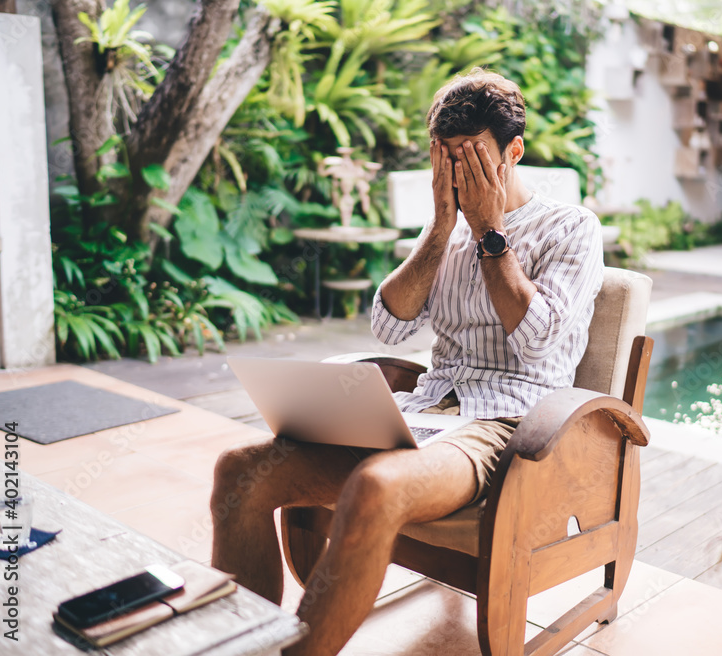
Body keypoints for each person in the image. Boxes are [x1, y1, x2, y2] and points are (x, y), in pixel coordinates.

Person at [210, 69, 604, 656]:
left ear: (514, 152)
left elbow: (539, 341)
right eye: (445, 161)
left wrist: (489, 231)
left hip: (503, 427)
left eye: (473, 160)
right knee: (239, 471)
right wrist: (444, 227)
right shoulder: (437, 232)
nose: (458, 176)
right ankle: (244, 644)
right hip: (424, 411)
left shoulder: (570, 228)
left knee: (376, 484)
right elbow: (389, 326)